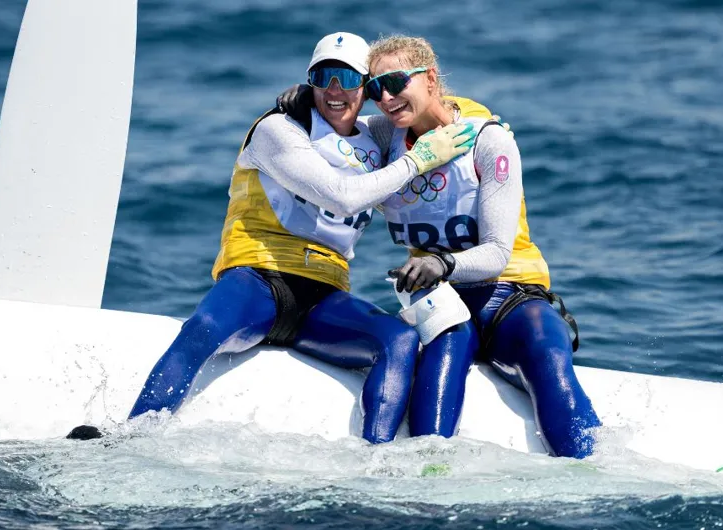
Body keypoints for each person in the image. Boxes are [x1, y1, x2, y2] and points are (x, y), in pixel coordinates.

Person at [68, 33, 478, 444]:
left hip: (323, 294)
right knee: (204, 326)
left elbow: (430, 109)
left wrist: (487, 129)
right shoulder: (278, 129)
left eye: (348, 79)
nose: (335, 90)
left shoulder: (376, 136)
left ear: (366, 90)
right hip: (258, 279)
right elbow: (343, 196)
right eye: (323, 77)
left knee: (400, 339)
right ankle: (128, 436)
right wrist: (418, 159)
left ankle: (378, 459)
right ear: (310, 82)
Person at [366, 35, 602, 458]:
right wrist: (297, 102)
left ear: (430, 79)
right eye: (372, 88)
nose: (384, 97)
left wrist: (441, 263)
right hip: (444, 304)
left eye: (396, 81)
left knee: (547, 348)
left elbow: (496, 253)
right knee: (442, 360)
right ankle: (428, 478)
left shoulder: (490, 141)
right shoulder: (385, 136)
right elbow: (332, 121)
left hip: (510, 293)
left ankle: (593, 472)